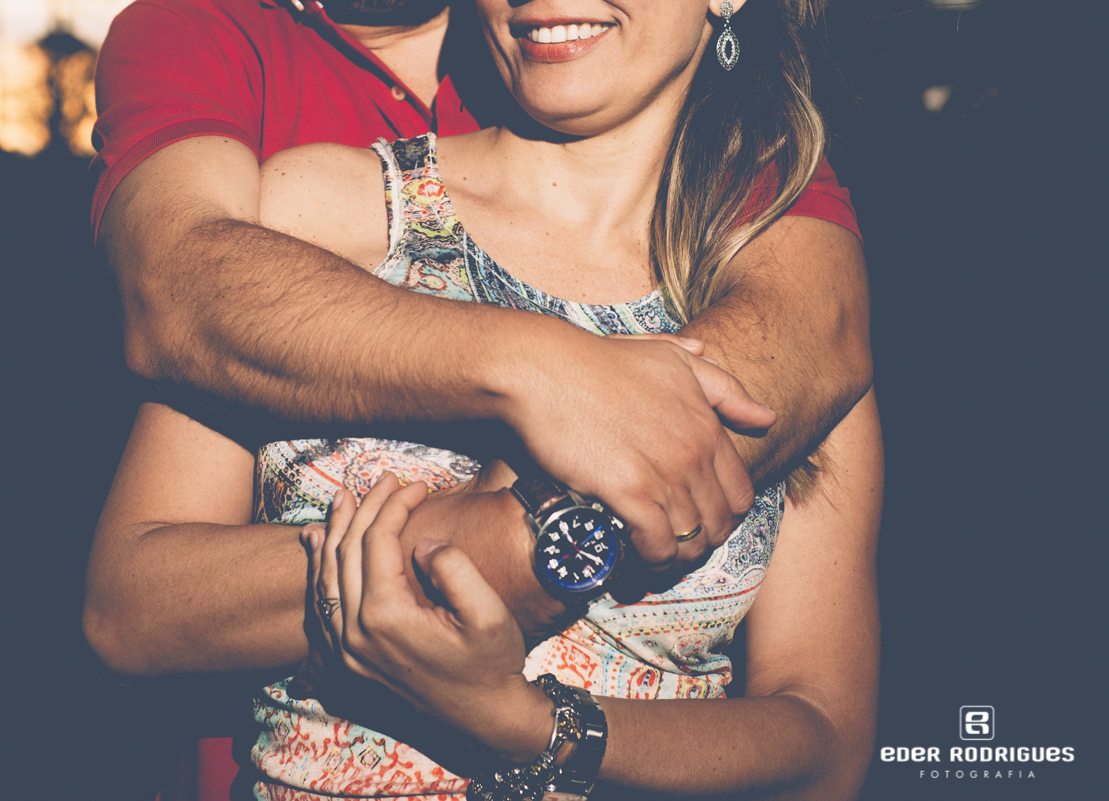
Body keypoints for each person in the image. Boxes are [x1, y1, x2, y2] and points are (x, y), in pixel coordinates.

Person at [86, 0, 881, 799]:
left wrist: (531, 725)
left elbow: (825, 748)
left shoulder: (783, 293)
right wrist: (473, 534)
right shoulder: (315, 211)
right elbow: (127, 604)